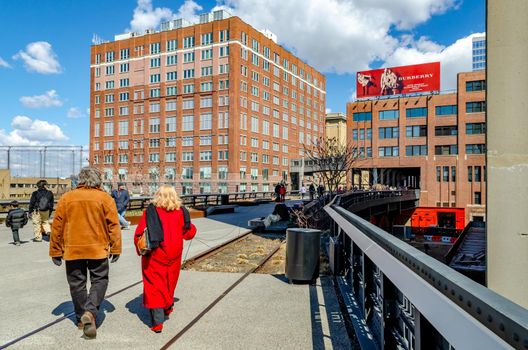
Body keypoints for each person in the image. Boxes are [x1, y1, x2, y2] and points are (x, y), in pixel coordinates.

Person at [49, 167, 121, 339]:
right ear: (97, 180)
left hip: (73, 250)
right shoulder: (104, 198)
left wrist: (55, 251)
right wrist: (116, 248)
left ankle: (81, 319)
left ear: (80, 180)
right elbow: (113, 225)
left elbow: (57, 227)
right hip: (97, 249)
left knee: (77, 284)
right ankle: (90, 311)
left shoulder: (67, 198)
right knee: (100, 280)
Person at [134, 185, 196, 333]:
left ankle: (157, 323)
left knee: (154, 284)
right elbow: (189, 233)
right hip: (174, 253)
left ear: (158, 196)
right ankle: (167, 306)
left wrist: (139, 246)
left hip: (155, 253)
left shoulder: (150, 211)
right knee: (170, 280)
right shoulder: (181, 212)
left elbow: (139, 234)